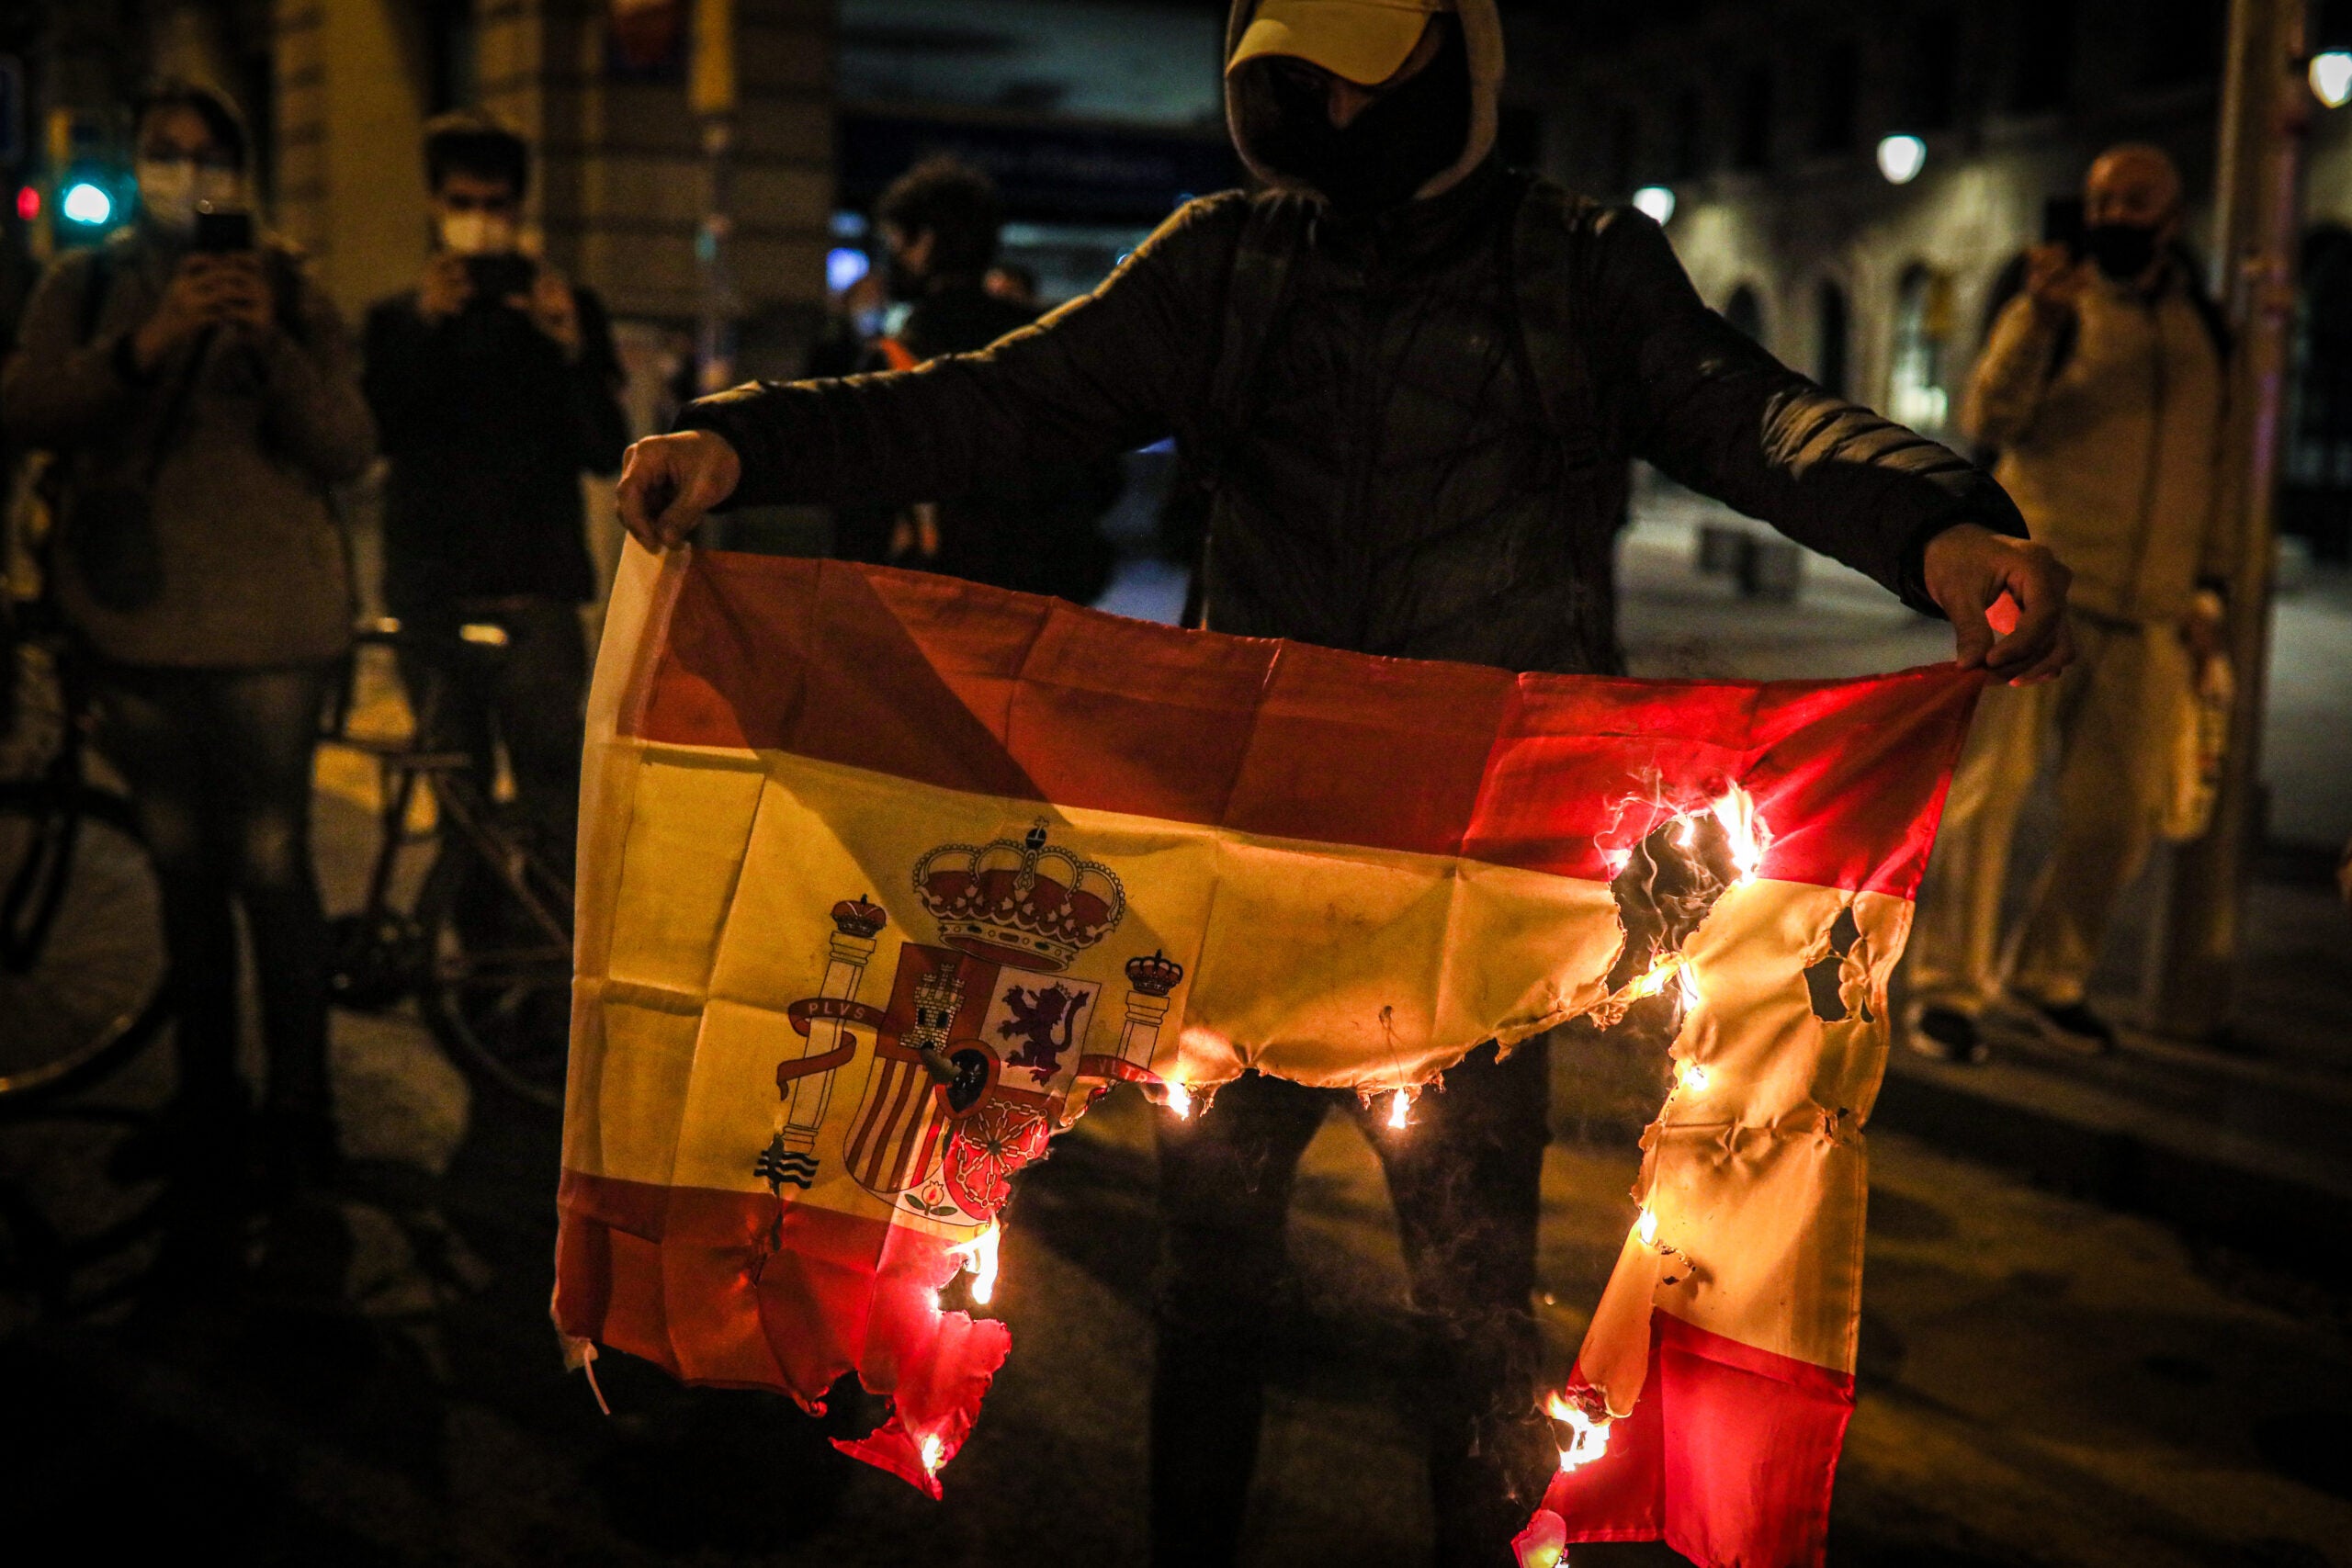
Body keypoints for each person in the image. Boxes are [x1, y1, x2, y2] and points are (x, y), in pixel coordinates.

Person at [614, 1, 2070, 1559]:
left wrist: (1939, 526)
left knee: (1466, 1312)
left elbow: (1757, 418)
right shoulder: (1225, 262)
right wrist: (748, 447)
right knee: (1214, 1293)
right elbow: (998, 403)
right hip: (1247, 881)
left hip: (1487, 885)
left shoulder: (1579, 265)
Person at [3, 81, 375, 1229]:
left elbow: (347, 446)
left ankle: (301, 1115)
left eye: (208, 156)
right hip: (132, 629)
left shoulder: (290, 284)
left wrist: (265, 342)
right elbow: (27, 408)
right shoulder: (91, 281)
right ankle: (208, 1104)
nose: (187, 175)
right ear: (137, 166)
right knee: (181, 873)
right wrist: (148, 343)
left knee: (269, 865)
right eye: (164, 155)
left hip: (269, 632)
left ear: (241, 168)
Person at [1907, 143, 2230, 1065]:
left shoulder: (2201, 325)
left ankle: (2050, 977)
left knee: (2117, 813)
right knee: (1987, 798)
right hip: (2037, 587)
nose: (2116, 216)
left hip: (2150, 607)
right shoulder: (2052, 304)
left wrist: (2205, 586)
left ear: (2172, 215)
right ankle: (1946, 989)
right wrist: (2037, 323)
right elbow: (1989, 414)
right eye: (2102, 200)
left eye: (2136, 201)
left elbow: (2216, 464)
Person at [361, 112, 628, 867]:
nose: (480, 221)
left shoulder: (562, 308)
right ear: (435, 204)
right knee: (460, 806)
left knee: (554, 802)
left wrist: (570, 347)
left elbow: (605, 449)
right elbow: (375, 435)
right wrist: (424, 327)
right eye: (462, 202)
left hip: (534, 593)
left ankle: (544, 976)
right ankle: (473, 978)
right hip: (432, 595)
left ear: (519, 207)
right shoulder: (395, 319)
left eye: (496, 204)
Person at [838, 156, 1120, 603]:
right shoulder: (1050, 338)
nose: (894, 259)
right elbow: (1104, 475)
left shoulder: (895, 356)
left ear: (924, 243)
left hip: (944, 592)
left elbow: (863, 509)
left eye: (897, 243)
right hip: (1052, 588)